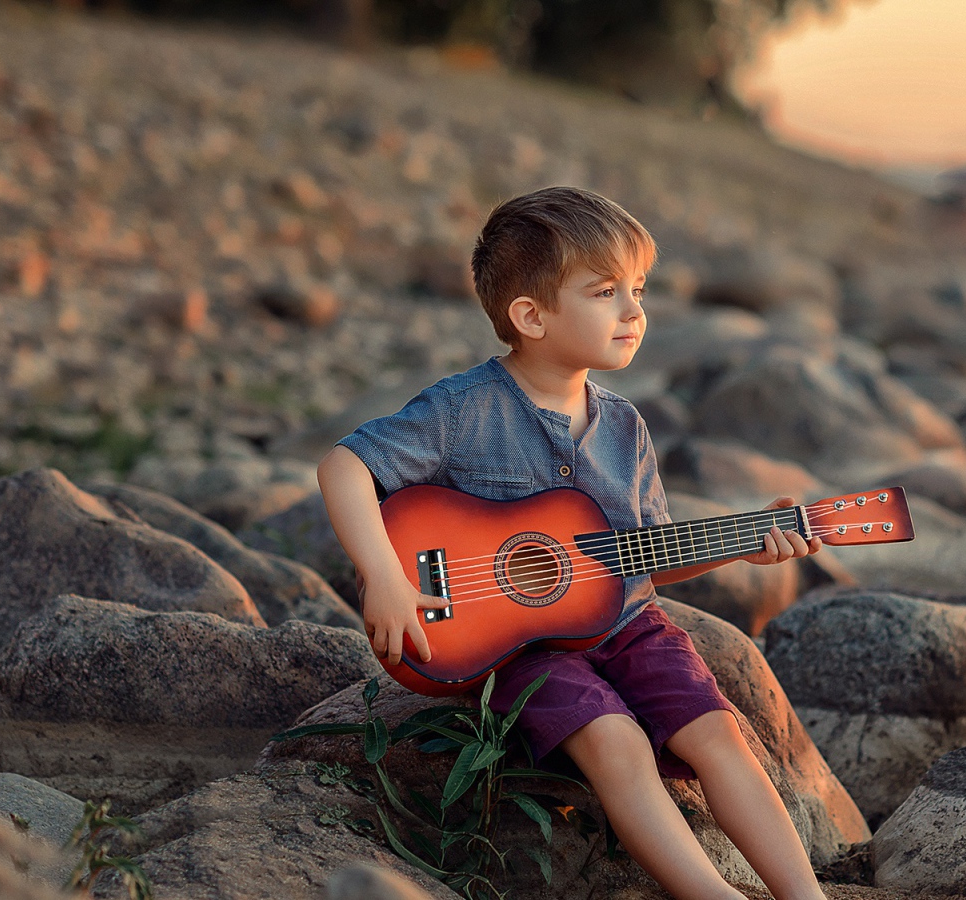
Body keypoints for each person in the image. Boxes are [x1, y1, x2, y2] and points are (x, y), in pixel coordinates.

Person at [316, 186, 827, 900]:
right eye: (605, 291)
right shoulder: (464, 408)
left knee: (720, 735)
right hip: (520, 648)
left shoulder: (625, 427)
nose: (634, 312)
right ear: (530, 316)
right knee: (615, 743)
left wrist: (743, 544)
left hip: (629, 625)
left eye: (638, 290)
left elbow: (647, 556)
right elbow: (345, 465)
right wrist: (387, 577)